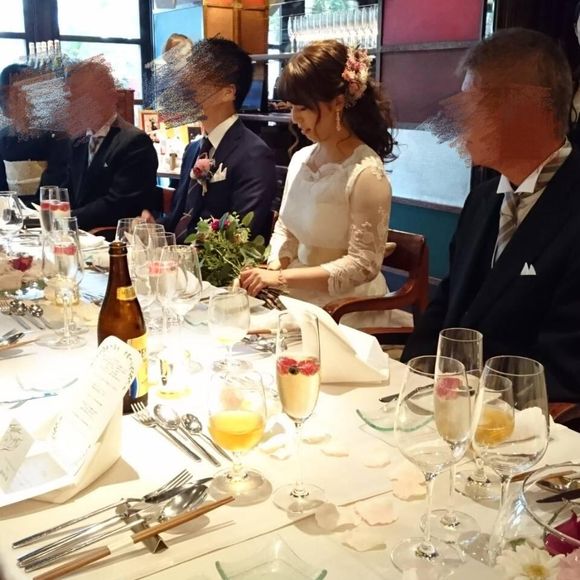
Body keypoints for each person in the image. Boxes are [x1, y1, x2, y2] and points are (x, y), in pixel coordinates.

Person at [402, 28, 580, 402]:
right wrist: (411, 379)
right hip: (448, 407)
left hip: (523, 420)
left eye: (473, 105)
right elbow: (446, 304)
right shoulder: (482, 200)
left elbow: (567, 366)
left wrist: (468, 398)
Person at [239, 40, 395, 322]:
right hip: (295, 292)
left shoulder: (366, 174)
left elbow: (363, 265)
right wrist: (275, 266)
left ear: (338, 103)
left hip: (346, 307)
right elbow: (286, 227)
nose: (294, 118)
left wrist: (282, 278)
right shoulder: (301, 159)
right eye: (291, 107)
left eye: (302, 108)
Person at [143, 37, 277, 243]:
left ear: (227, 92)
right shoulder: (193, 149)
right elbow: (180, 219)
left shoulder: (253, 155)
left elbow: (238, 238)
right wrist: (154, 228)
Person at [65, 59, 158, 230]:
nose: (75, 105)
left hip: (112, 237)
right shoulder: (78, 142)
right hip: (76, 233)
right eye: (72, 98)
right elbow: (68, 190)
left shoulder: (134, 142)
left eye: (83, 96)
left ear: (110, 97)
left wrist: (66, 219)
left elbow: (119, 205)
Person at [0, 64, 70, 198]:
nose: (8, 102)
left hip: (45, 206)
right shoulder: (2, 138)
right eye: (5, 96)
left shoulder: (56, 136)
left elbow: (57, 182)